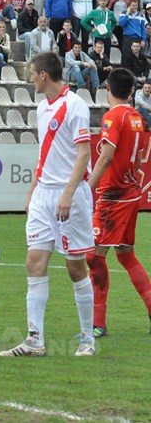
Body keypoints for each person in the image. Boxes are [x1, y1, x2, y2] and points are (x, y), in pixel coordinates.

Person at [0, 52, 96, 358]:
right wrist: (33, 190)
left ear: (43, 75)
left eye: (32, 73)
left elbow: (83, 153)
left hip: (70, 194)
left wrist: (67, 193)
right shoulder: (42, 107)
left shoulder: (76, 106)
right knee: (33, 261)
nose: (30, 78)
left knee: (75, 266)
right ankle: (34, 340)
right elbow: (45, 153)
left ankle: (87, 340)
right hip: (43, 194)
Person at [87, 68, 151, 339]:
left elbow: (106, 156)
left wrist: (86, 189)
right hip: (132, 191)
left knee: (93, 256)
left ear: (107, 89)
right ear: (131, 91)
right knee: (125, 254)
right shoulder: (137, 117)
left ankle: (98, 324)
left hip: (113, 196)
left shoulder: (113, 117)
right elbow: (138, 159)